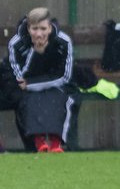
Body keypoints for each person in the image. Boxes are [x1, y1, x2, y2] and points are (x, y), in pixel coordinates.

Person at [4, 8, 75, 152]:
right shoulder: (16, 43)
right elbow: (20, 78)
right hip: (25, 87)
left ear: (50, 28)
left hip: (55, 84)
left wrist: (33, 84)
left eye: (43, 28)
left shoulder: (63, 41)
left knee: (58, 97)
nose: (39, 33)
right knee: (28, 99)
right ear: (28, 28)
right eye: (34, 28)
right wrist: (35, 52)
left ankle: (56, 142)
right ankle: (37, 141)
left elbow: (65, 76)